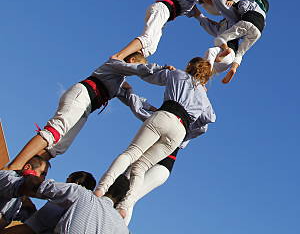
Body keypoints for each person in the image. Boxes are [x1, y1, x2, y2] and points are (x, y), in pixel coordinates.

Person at [94, 57, 214, 218]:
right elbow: (209, 119)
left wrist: (161, 68)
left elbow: (149, 76)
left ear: (190, 66)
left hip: (166, 114)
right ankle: (125, 205)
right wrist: (188, 132)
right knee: (141, 167)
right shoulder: (204, 98)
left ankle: (101, 188)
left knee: (131, 154)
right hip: (179, 131)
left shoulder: (177, 75)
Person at [6, 53, 168, 171]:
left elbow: (136, 101)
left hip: (87, 106)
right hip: (82, 95)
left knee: (60, 146)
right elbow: (140, 69)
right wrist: (161, 69)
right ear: (131, 60)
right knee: (56, 130)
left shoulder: (120, 84)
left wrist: (159, 111)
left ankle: (26, 170)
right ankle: (14, 167)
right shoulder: (114, 64)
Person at [115, 84, 211, 225]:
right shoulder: (161, 116)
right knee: (120, 192)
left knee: (129, 198)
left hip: (162, 165)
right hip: (145, 162)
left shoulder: (186, 124)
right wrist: (128, 90)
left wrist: (201, 94)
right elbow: (138, 105)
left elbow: (204, 125)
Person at [111, 0, 209, 60]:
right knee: (147, 38)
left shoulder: (190, 4)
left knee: (151, 48)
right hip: (162, 9)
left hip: (163, 13)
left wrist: (215, 23)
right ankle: (118, 57)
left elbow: (198, 15)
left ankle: (126, 61)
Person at [17, 175, 130, 234]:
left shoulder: (82, 195)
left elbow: (36, 184)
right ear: (120, 200)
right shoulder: (124, 230)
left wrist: (25, 175)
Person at [1, 171, 96, 234]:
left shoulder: (60, 204)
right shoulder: (92, 216)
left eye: (67, 180)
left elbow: (28, 229)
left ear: (75, 184)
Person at [213, 0, 269, 83]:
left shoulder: (251, 2)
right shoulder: (264, 15)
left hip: (247, 22)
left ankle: (225, 50)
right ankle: (234, 68)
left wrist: (237, 8)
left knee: (222, 38)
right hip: (258, 31)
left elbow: (242, 6)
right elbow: (262, 26)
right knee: (241, 52)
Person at [0, 157, 48, 229]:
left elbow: (33, 220)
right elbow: (20, 186)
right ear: (27, 167)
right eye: (42, 173)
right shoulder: (7, 177)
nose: (43, 179)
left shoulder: (19, 202)